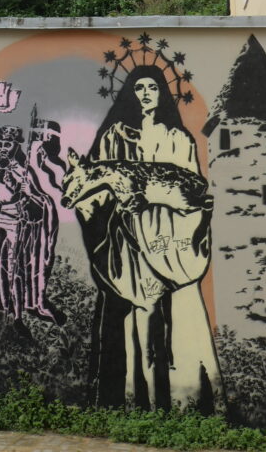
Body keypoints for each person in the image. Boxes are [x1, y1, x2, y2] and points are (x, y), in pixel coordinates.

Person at [70, 64, 221, 412]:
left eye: (153, 87)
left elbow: (192, 194)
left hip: (168, 242)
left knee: (179, 317)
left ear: (162, 94)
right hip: (127, 245)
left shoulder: (179, 139)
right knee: (130, 321)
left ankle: (187, 403)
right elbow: (97, 188)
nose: (146, 94)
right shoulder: (113, 137)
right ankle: (133, 401)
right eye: (139, 88)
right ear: (130, 95)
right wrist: (120, 201)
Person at [0, 125, 59, 336]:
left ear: (15, 146)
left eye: (7, 144)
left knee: (13, 269)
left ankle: (17, 317)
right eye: (0, 144)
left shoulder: (22, 171)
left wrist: (29, 192)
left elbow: (41, 201)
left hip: (12, 218)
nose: (3, 148)